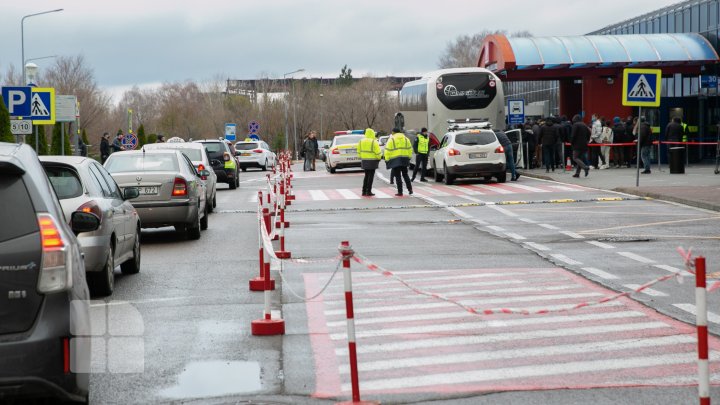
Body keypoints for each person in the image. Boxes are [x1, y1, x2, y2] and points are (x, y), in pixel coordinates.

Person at [385, 127, 413, 196]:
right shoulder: (406, 139)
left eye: (392, 132)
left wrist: (387, 159)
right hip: (404, 159)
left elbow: (387, 150)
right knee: (405, 175)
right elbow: (410, 149)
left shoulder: (391, 139)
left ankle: (400, 192)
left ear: (394, 132)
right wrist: (409, 157)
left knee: (398, 176)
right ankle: (410, 189)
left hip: (395, 160)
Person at [358, 128, 381, 196]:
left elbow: (358, 151)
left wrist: (362, 157)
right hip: (372, 161)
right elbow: (377, 152)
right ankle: (369, 191)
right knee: (371, 176)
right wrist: (379, 158)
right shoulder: (374, 141)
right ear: (372, 133)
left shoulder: (361, 141)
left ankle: (363, 191)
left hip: (364, 160)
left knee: (366, 176)